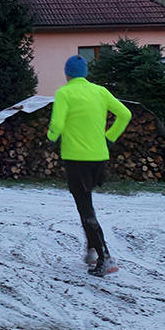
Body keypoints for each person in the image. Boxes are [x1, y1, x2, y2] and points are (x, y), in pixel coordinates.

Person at [47, 54, 131, 276]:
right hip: (99, 157)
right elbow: (125, 114)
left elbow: (57, 124)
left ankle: (105, 257)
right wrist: (109, 137)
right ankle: (92, 250)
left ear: (67, 74)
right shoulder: (100, 91)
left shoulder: (65, 93)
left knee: (85, 208)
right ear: (85, 73)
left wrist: (51, 137)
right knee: (87, 203)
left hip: (77, 159)